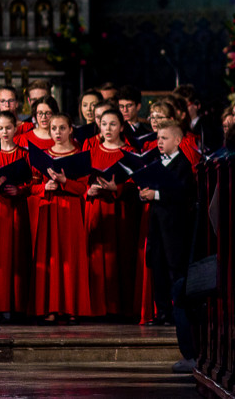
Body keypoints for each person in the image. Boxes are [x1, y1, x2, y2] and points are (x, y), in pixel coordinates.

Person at [137, 122, 198, 373]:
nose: (159, 142)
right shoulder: (157, 161)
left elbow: (184, 194)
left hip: (174, 228)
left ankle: (175, 314)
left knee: (175, 270)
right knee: (158, 266)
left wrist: (157, 195)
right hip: (158, 227)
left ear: (177, 140)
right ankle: (162, 311)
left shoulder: (182, 164)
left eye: (164, 138)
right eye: (158, 138)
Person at [30, 112, 90, 322]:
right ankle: (51, 308)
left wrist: (65, 181)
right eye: (54, 128)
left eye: (62, 128)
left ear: (71, 129)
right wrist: (44, 187)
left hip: (71, 209)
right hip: (50, 208)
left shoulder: (79, 154)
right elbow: (32, 185)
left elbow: (83, 187)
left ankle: (72, 308)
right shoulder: (43, 155)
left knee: (70, 257)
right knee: (51, 257)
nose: (57, 132)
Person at [85, 107, 135, 317]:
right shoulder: (91, 152)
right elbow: (80, 181)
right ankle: (97, 308)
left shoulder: (130, 153)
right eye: (104, 124)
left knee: (120, 258)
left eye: (113, 124)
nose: (107, 128)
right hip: (97, 209)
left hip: (120, 210)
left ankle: (120, 308)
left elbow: (136, 183)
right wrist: (89, 190)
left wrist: (119, 188)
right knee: (96, 258)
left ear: (121, 127)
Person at [0, 111, 31, 319]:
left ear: (16, 128)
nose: (4, 132)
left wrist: (21, 189)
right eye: (0, 128)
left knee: (16, 255)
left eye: (8, 128)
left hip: (15, 207)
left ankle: (16, 306)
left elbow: (32, 179)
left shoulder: (24, 154)